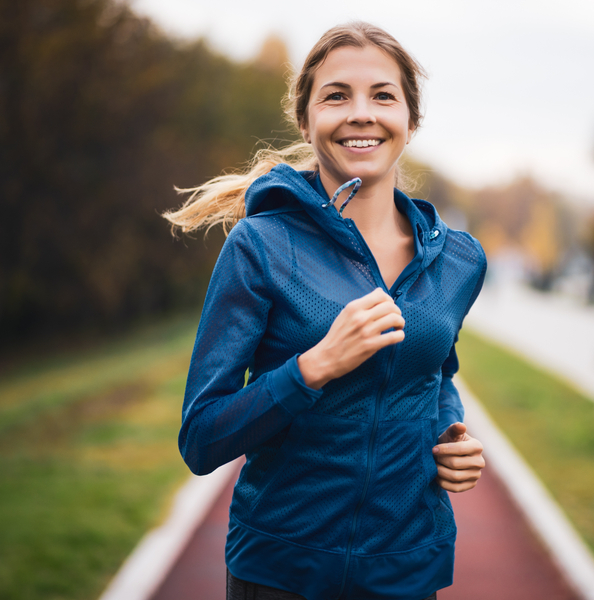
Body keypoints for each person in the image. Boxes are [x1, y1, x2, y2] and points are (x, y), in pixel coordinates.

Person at [163, 22, 487, 600]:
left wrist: (449, 435)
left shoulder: (459, 261)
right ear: (306, 120)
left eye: (383, 95)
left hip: (408, 569)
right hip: (280, 572)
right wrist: (313, 366)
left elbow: (437, 373)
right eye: (336, 95)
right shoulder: (260, 246)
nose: (361, 113)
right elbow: (201, 437)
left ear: (410, 122)